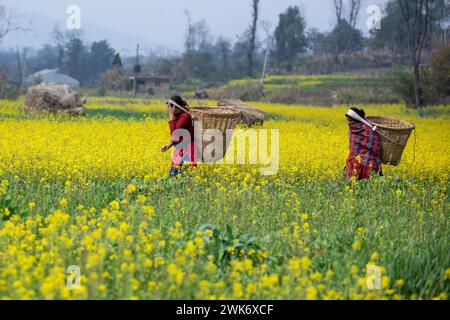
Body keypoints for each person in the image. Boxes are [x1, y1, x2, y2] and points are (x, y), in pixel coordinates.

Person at [161, 95, 197, 176]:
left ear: (175, 107)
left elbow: (175, 133)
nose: (168, 110)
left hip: (189, 148)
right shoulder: (177, 116)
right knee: (173, 173)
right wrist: (169, 145)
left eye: (170, 107)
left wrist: (171, 115)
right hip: (180, 148)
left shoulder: (185, 116)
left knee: (189, 174)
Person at [345, 107, 382, 180]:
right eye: (348, 119)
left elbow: (374, 145)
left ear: (355, 119)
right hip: (354, 161)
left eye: (350, 119)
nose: (349, 121)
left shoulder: (366, 129)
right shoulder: (352, 128)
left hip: (367, 161)